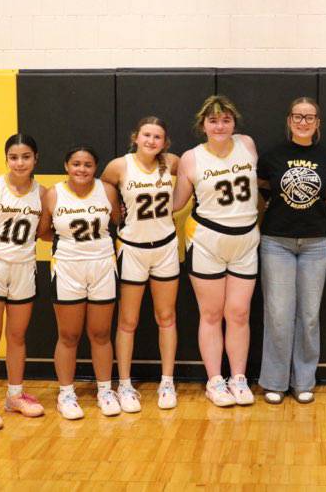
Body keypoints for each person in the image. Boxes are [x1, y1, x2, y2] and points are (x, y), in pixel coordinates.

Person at [173, 95, 259, 407]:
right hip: (207, 239)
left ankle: (238, 377)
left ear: (233, 123)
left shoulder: (247, 144)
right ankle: (214, 380)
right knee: (210, 314)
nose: (219, 125)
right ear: (203, 125)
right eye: (213, 120)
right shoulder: (191, 158)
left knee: (239, 313)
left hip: (246, 240)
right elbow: (178, 202)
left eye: (225, 120)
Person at [257, 97, 326, 404]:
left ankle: (303, 381)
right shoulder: (272, 156)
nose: (303, 122)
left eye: (309, 117)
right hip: (277, 241)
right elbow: (263, 188)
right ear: (289, 120)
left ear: (318, 123)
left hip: (316, 243)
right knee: (278, 314)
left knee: (309, 315)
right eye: (298, 116)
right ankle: (275, 382)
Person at [101, 117, 180, 412]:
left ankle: (167, 381)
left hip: (165, 247)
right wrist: (114, 209)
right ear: (136, 136)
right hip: (132, 247)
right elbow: (106, 183)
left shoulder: (172, 162)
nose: (151, 141)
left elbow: (190, 177)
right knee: (128, 321)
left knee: (166, 316)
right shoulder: (119, 166)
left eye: (157, 137)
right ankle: (124, 383)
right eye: (147, 135)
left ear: (165, 142)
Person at [39, 146, 121, 420]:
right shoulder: (53, 194)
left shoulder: (107, 191)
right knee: (69, 335)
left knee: (100, 334)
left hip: (102, 266)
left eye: (87, 164)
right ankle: (66, 393)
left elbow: (118, 222)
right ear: (66, 165)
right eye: (76, 163)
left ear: (95, 168)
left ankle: (105, 391)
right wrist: (73, 245)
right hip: (67, 268)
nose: (82, 169)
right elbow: (44, 232)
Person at [0, 133, 46, 430]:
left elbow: (44, 232)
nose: (19, 162)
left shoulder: (43, 194)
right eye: (14, 157)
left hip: (24, 269)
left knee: (17, 337)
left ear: (35, 159)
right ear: (6, 159)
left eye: (26, 157)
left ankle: (15, 395)